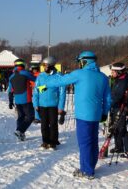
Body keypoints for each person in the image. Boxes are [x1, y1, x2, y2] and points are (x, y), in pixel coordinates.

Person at [38, 51, 111, 179]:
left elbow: (60, 81)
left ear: (84, 62)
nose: (79, 65)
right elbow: (108, 98)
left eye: (79, 62)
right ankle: (90, 167)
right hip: (96, 115)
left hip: (83, 115)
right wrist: (104, 113)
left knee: (84, 143)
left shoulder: (79, 74)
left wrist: (45, 84)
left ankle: (87, 171)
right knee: (93, 142)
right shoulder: (103, 77)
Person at [33, 57, 66, 150]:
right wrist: (35, 104)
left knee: (53, 124)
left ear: (51, 66)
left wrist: (61, 107)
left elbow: (62, 93)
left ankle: (53, 142)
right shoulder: (40, 76)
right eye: (43, 65)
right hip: (42, 105)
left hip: (53, 105)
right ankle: (45, 141)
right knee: (44, 125)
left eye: (45, 65)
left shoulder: (59, 76)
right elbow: (36, 91)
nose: (43, 67)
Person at [109, 62, 128, 159]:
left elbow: (118, 96)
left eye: (113, 71)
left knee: (122, 129)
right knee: (115, 128)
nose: (112, 73)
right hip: (116, 107)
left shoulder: (123, 81)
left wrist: (108, 104)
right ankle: (119, 147)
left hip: (121, 107)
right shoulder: (118, 79)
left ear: (119, 72)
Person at [8, 58, 36, 141]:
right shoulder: (25, 73)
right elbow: (36, 79)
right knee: (30, 116)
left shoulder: (11, 76)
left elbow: (10, 90)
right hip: (26, 99)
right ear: (23, 65)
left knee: (21, 117)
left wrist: (10, 101)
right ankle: (20, 131)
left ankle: (20, 135)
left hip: (17, 100)